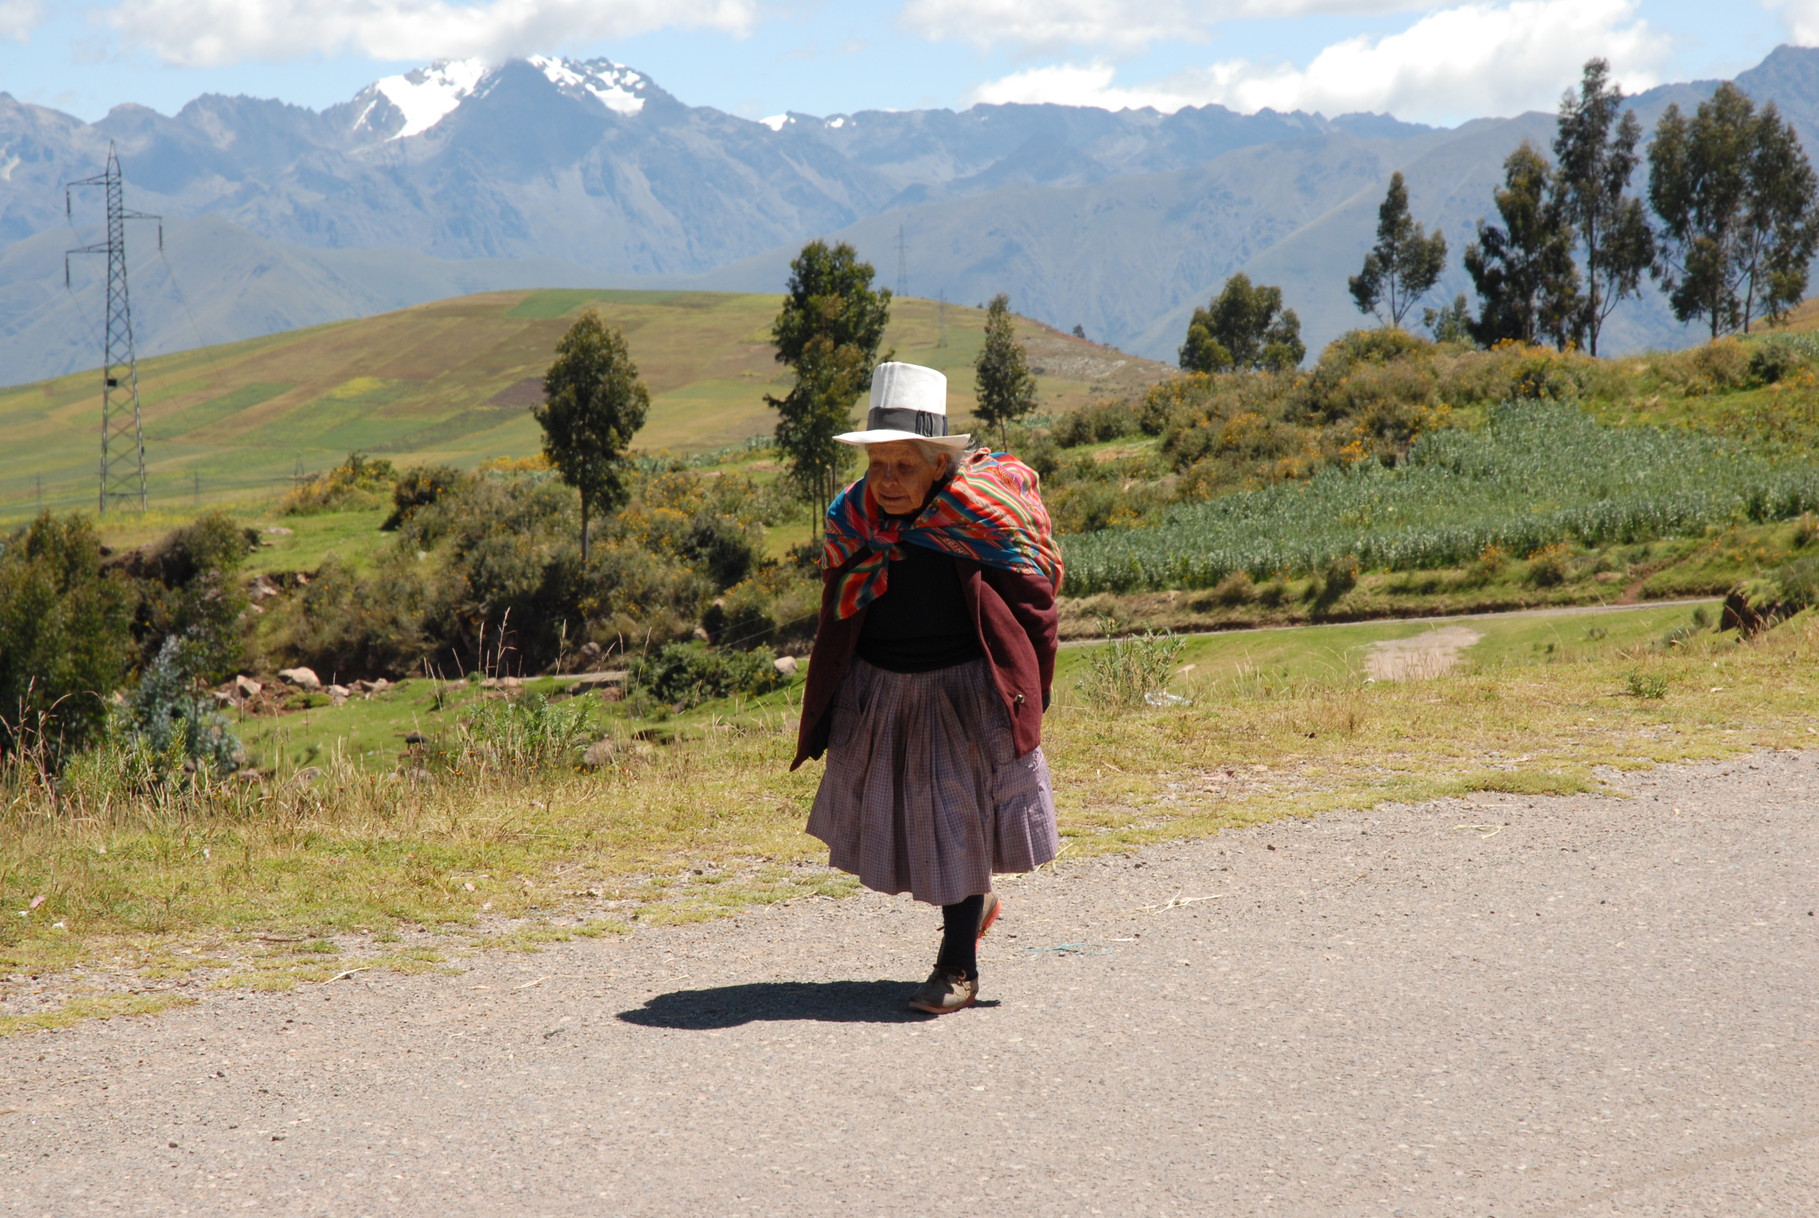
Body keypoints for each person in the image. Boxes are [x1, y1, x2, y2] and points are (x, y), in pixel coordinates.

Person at [791, 361, 1064, 1014]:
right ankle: (973, 909)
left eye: (902, 467)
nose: (885, 482)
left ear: (938, 466)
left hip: (962, 693)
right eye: (876, 466)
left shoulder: (982, 520)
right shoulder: (852, 518)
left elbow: (1035, 606)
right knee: (919, 821)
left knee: (953, 822)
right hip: (880, 692)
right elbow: (839, 608)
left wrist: (1033, 694)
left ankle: (956, 966)